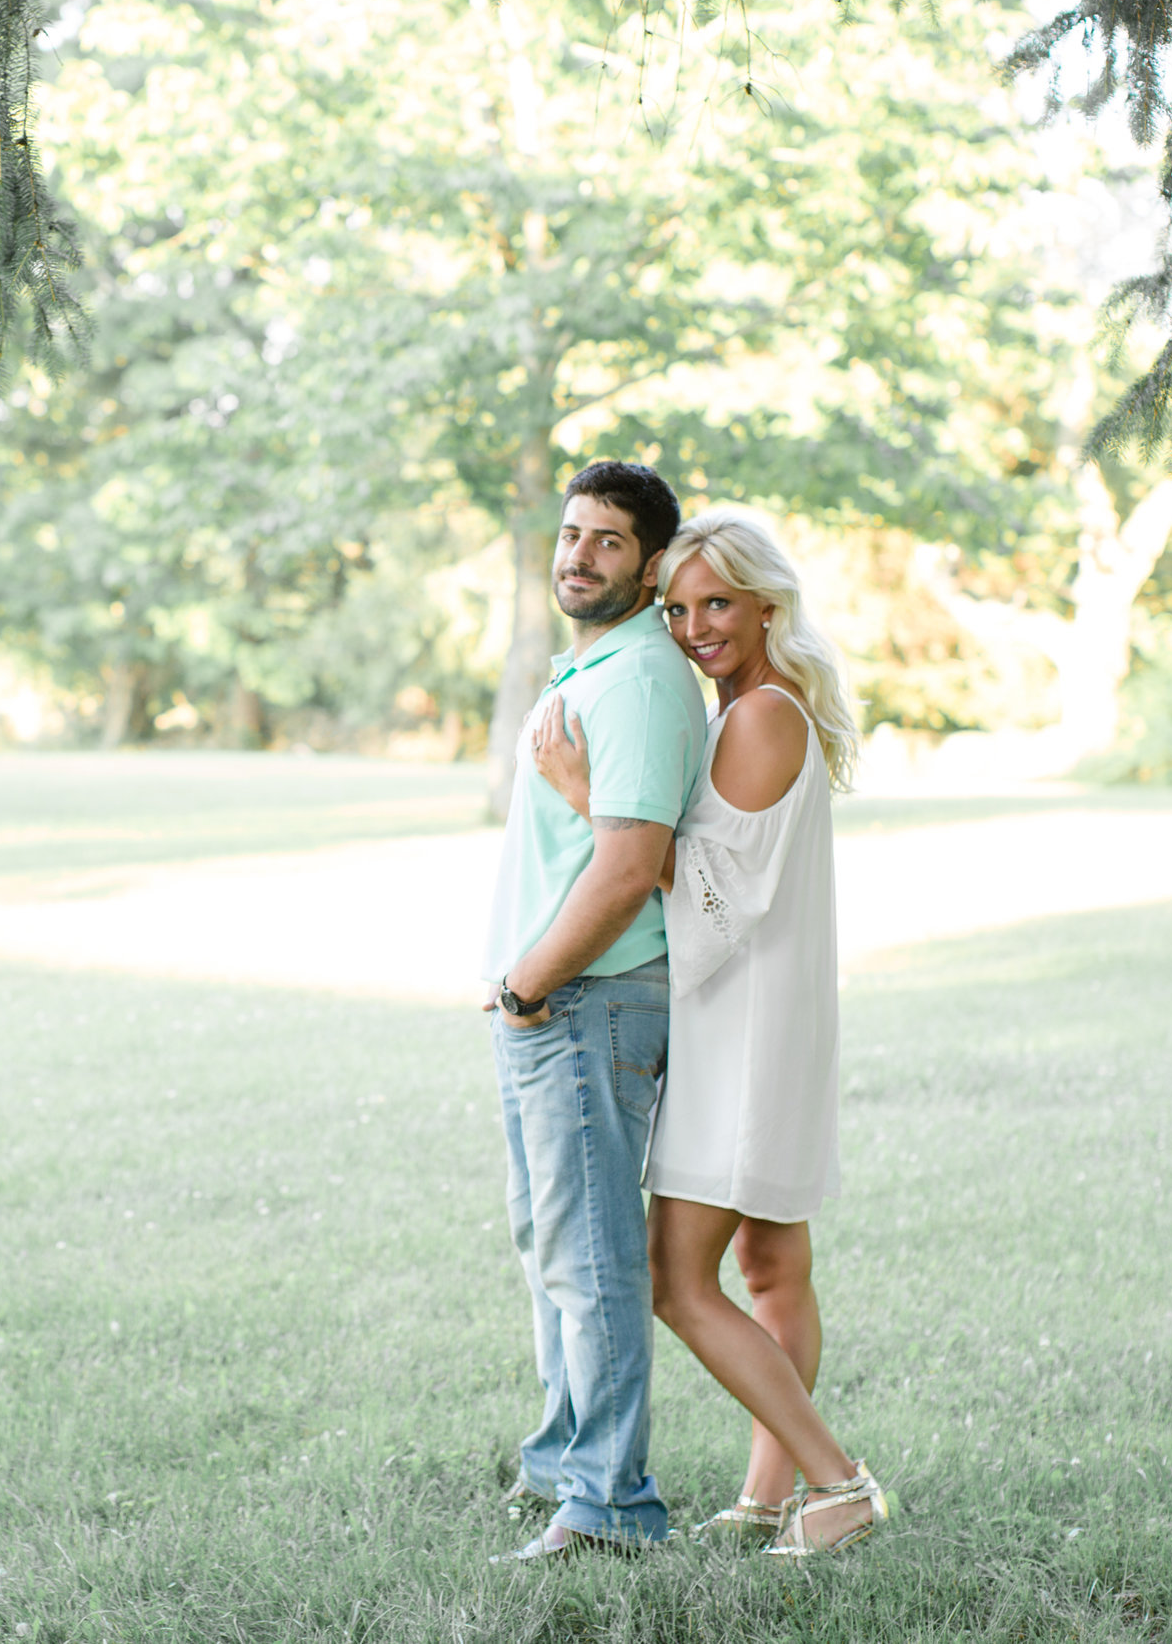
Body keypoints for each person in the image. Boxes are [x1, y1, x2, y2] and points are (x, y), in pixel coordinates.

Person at [532, 507, 890, 1558]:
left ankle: (841, 1482)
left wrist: (594, 799)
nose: (693, 627)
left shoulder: (757, 716)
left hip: (741, 1034)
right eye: (679, 607)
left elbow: (718, 910)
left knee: (676, 1279)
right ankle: (768, 1497)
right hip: (769, 1025)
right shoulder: (763, 705)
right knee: (774, 1267)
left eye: (717, 602)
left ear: (768, 603)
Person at [482, 460, 706, 1561]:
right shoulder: (594, 665)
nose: (578, 554)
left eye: (607, 540)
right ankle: (564, 1459)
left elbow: (630, 866)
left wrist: (529, 982)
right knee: (551, 1245)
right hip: (551, 1001)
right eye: (571, 533)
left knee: (594, 1257)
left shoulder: (641, 678)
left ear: (651, 562)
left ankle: (611, 1503)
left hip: (585, 999)